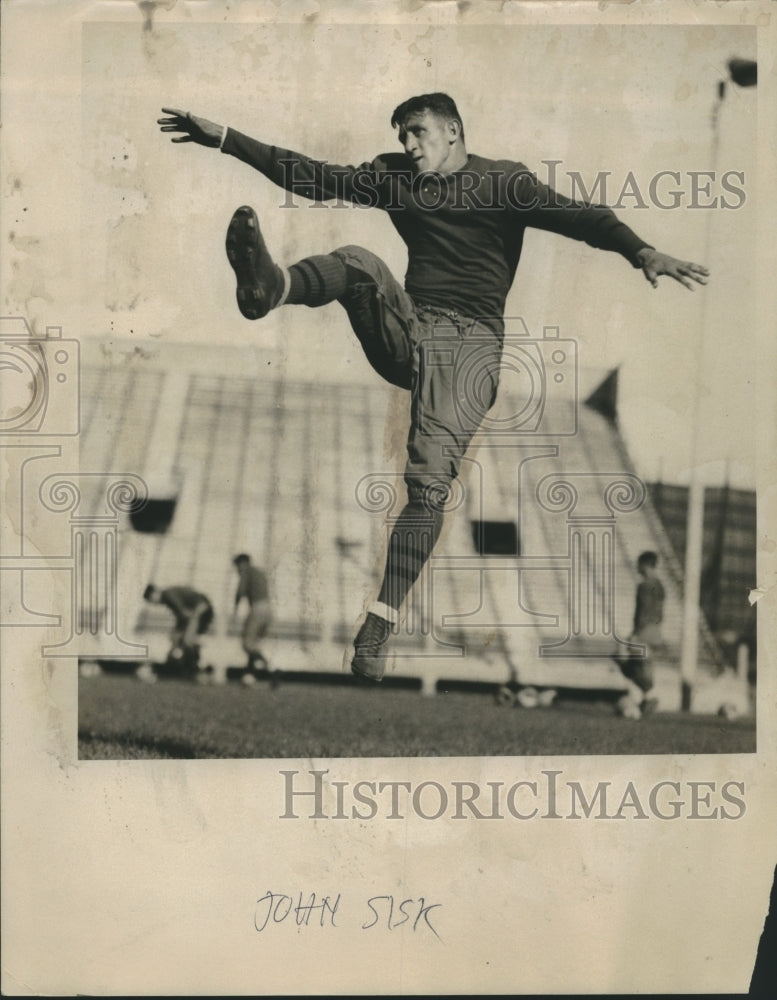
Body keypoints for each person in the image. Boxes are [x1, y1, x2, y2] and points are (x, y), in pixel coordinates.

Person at [158, 94, 708, 683]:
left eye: (418, 133)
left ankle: (379, 623)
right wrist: (226, 139)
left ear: (453, 131)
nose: (409, 146)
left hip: (468, 353)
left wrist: (640, 250)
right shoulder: (397, 178)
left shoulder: (504, 182)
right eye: (402, 137)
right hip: (412, 327)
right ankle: (275, 285)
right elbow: (315, 178)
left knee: (427, 489)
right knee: (359, 262)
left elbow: (582, 217)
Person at [617, 551, 666, 718]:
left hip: (644, 631)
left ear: (645, 565)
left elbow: (642, 611)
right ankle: (646, 698)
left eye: (639, 564)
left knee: (625, 660)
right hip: (655, 631)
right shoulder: (659, 585)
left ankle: (648, 695)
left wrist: (636, 633)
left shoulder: (644, 586)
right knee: (642, 666)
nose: (637, 567)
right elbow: (659, 613)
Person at [142, 583, 214, 677]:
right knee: (182, 639)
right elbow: (183, 615)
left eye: (151, 600)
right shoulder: (168, 595)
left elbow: (184, 613)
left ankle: (197, 670)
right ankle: (193, 667)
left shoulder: (168, 595)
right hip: (199, 609)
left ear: (155, 593)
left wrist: (180, 634)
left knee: (187, 640)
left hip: (201, 609)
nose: (154, 604)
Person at [232, 553, 272, 680]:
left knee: (247, 643)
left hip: (258, 608)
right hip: (269, 609)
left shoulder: (246, 571)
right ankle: (249, 674)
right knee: (254, 642)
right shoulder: (259, 572)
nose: (237, 570)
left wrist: (235, 608)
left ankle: (270, 666)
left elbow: (240, 591)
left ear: (242, 563)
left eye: (237, 566)